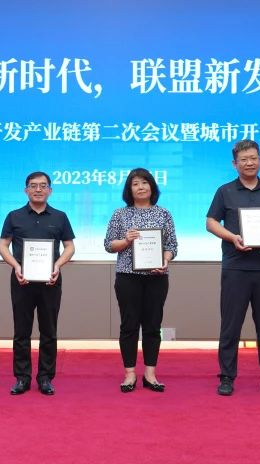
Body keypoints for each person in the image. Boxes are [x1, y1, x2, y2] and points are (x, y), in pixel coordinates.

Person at [206, 140, 260, 396]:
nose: (249, 163)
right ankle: (227, 377)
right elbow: (211, 222)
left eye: (253, 158)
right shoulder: (225, 191)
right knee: (230, 326)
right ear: (235, 164)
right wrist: (232, 237)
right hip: (236, 267)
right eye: (244, 159)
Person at [0, 171, 75, 396]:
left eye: (43, 186)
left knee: (49, 330)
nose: (38, 189)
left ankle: (45, 378)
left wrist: (57, 265)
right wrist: (16, 266)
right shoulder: (14, 216)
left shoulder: (60, 217)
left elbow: (69, 247)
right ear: (26, 190)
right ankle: (22, 378)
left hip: (51, 280)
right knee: (21, 331)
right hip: (22, 280)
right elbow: (3, 246)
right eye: (33, 185)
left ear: (50, 190)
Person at [104, 168, 177, 393]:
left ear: (152, 187)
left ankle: (150, 374)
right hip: (128, 277)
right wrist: (126, 240)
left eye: (145, 182)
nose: (141, 187)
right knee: (129, 325)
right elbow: (109, 245)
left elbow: (172, 246)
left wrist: (165, 260)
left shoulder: (164, 214)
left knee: (153, 326)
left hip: (156, 277)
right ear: (129, 189)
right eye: (135, 184)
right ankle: (129, 374)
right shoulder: (120, 214)